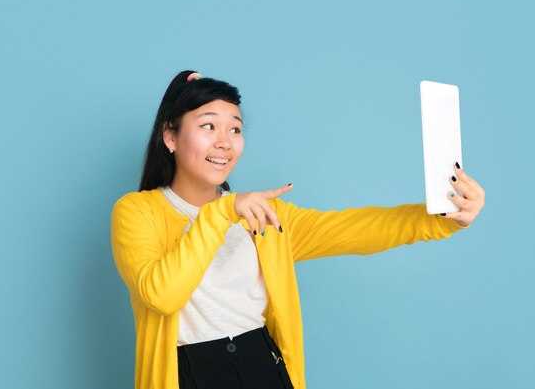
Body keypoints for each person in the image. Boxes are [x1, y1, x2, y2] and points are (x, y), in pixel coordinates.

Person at [110, 70, 485, 389]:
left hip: (262, 364)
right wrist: (222, 211)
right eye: (208, 126)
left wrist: (443, 216)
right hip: (189, 371)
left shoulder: (266, 217)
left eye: (235, 129)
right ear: (170, 137)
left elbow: (356, 229)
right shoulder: (137, 212)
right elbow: (161, 295)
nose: (224, 142)